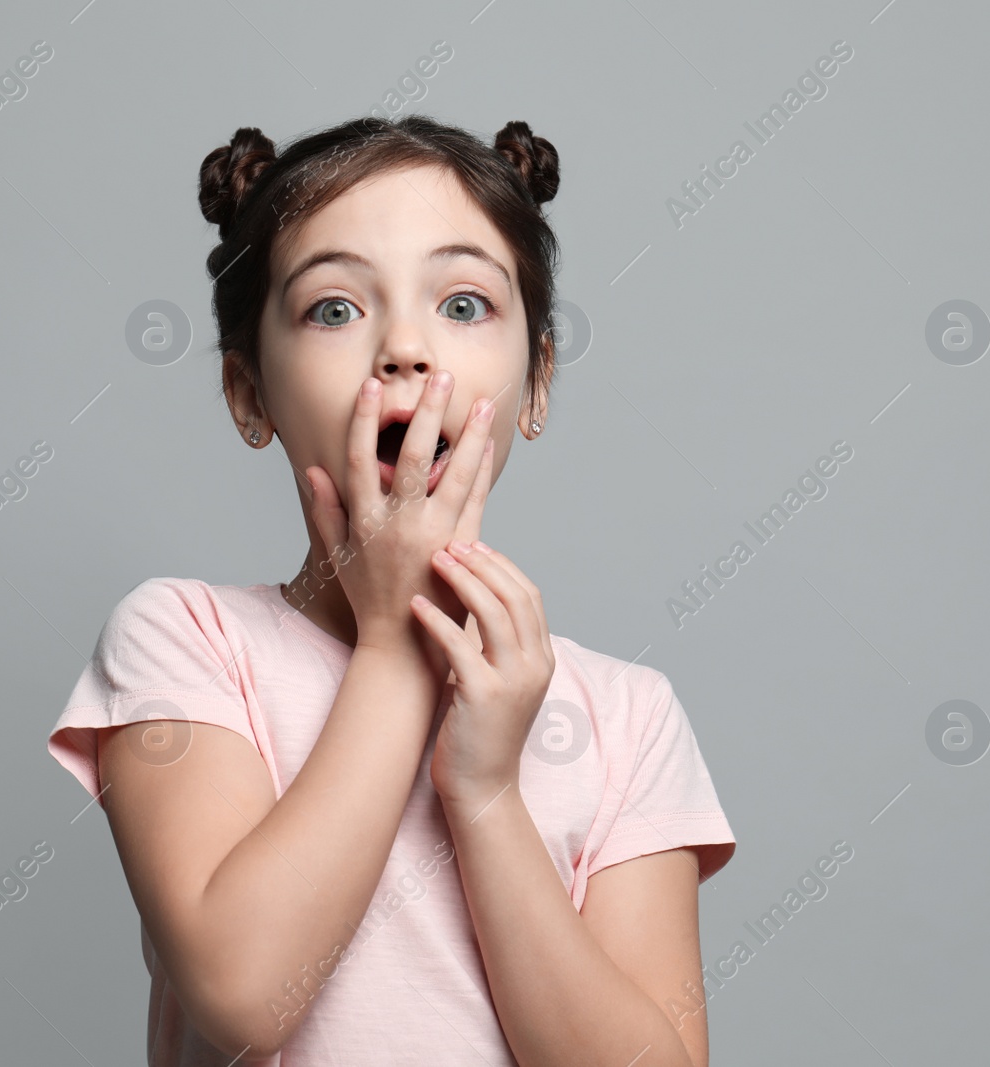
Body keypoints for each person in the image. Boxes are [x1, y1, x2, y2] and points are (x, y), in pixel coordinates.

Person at [47, 114, 736, 1066]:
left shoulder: (626, 718)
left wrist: (488, 792)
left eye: (462, 304)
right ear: (250, 395)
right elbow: (244, 997)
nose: (406, 348)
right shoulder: (183, 640)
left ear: (536, 383)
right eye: (335, 308)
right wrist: (391, 648)